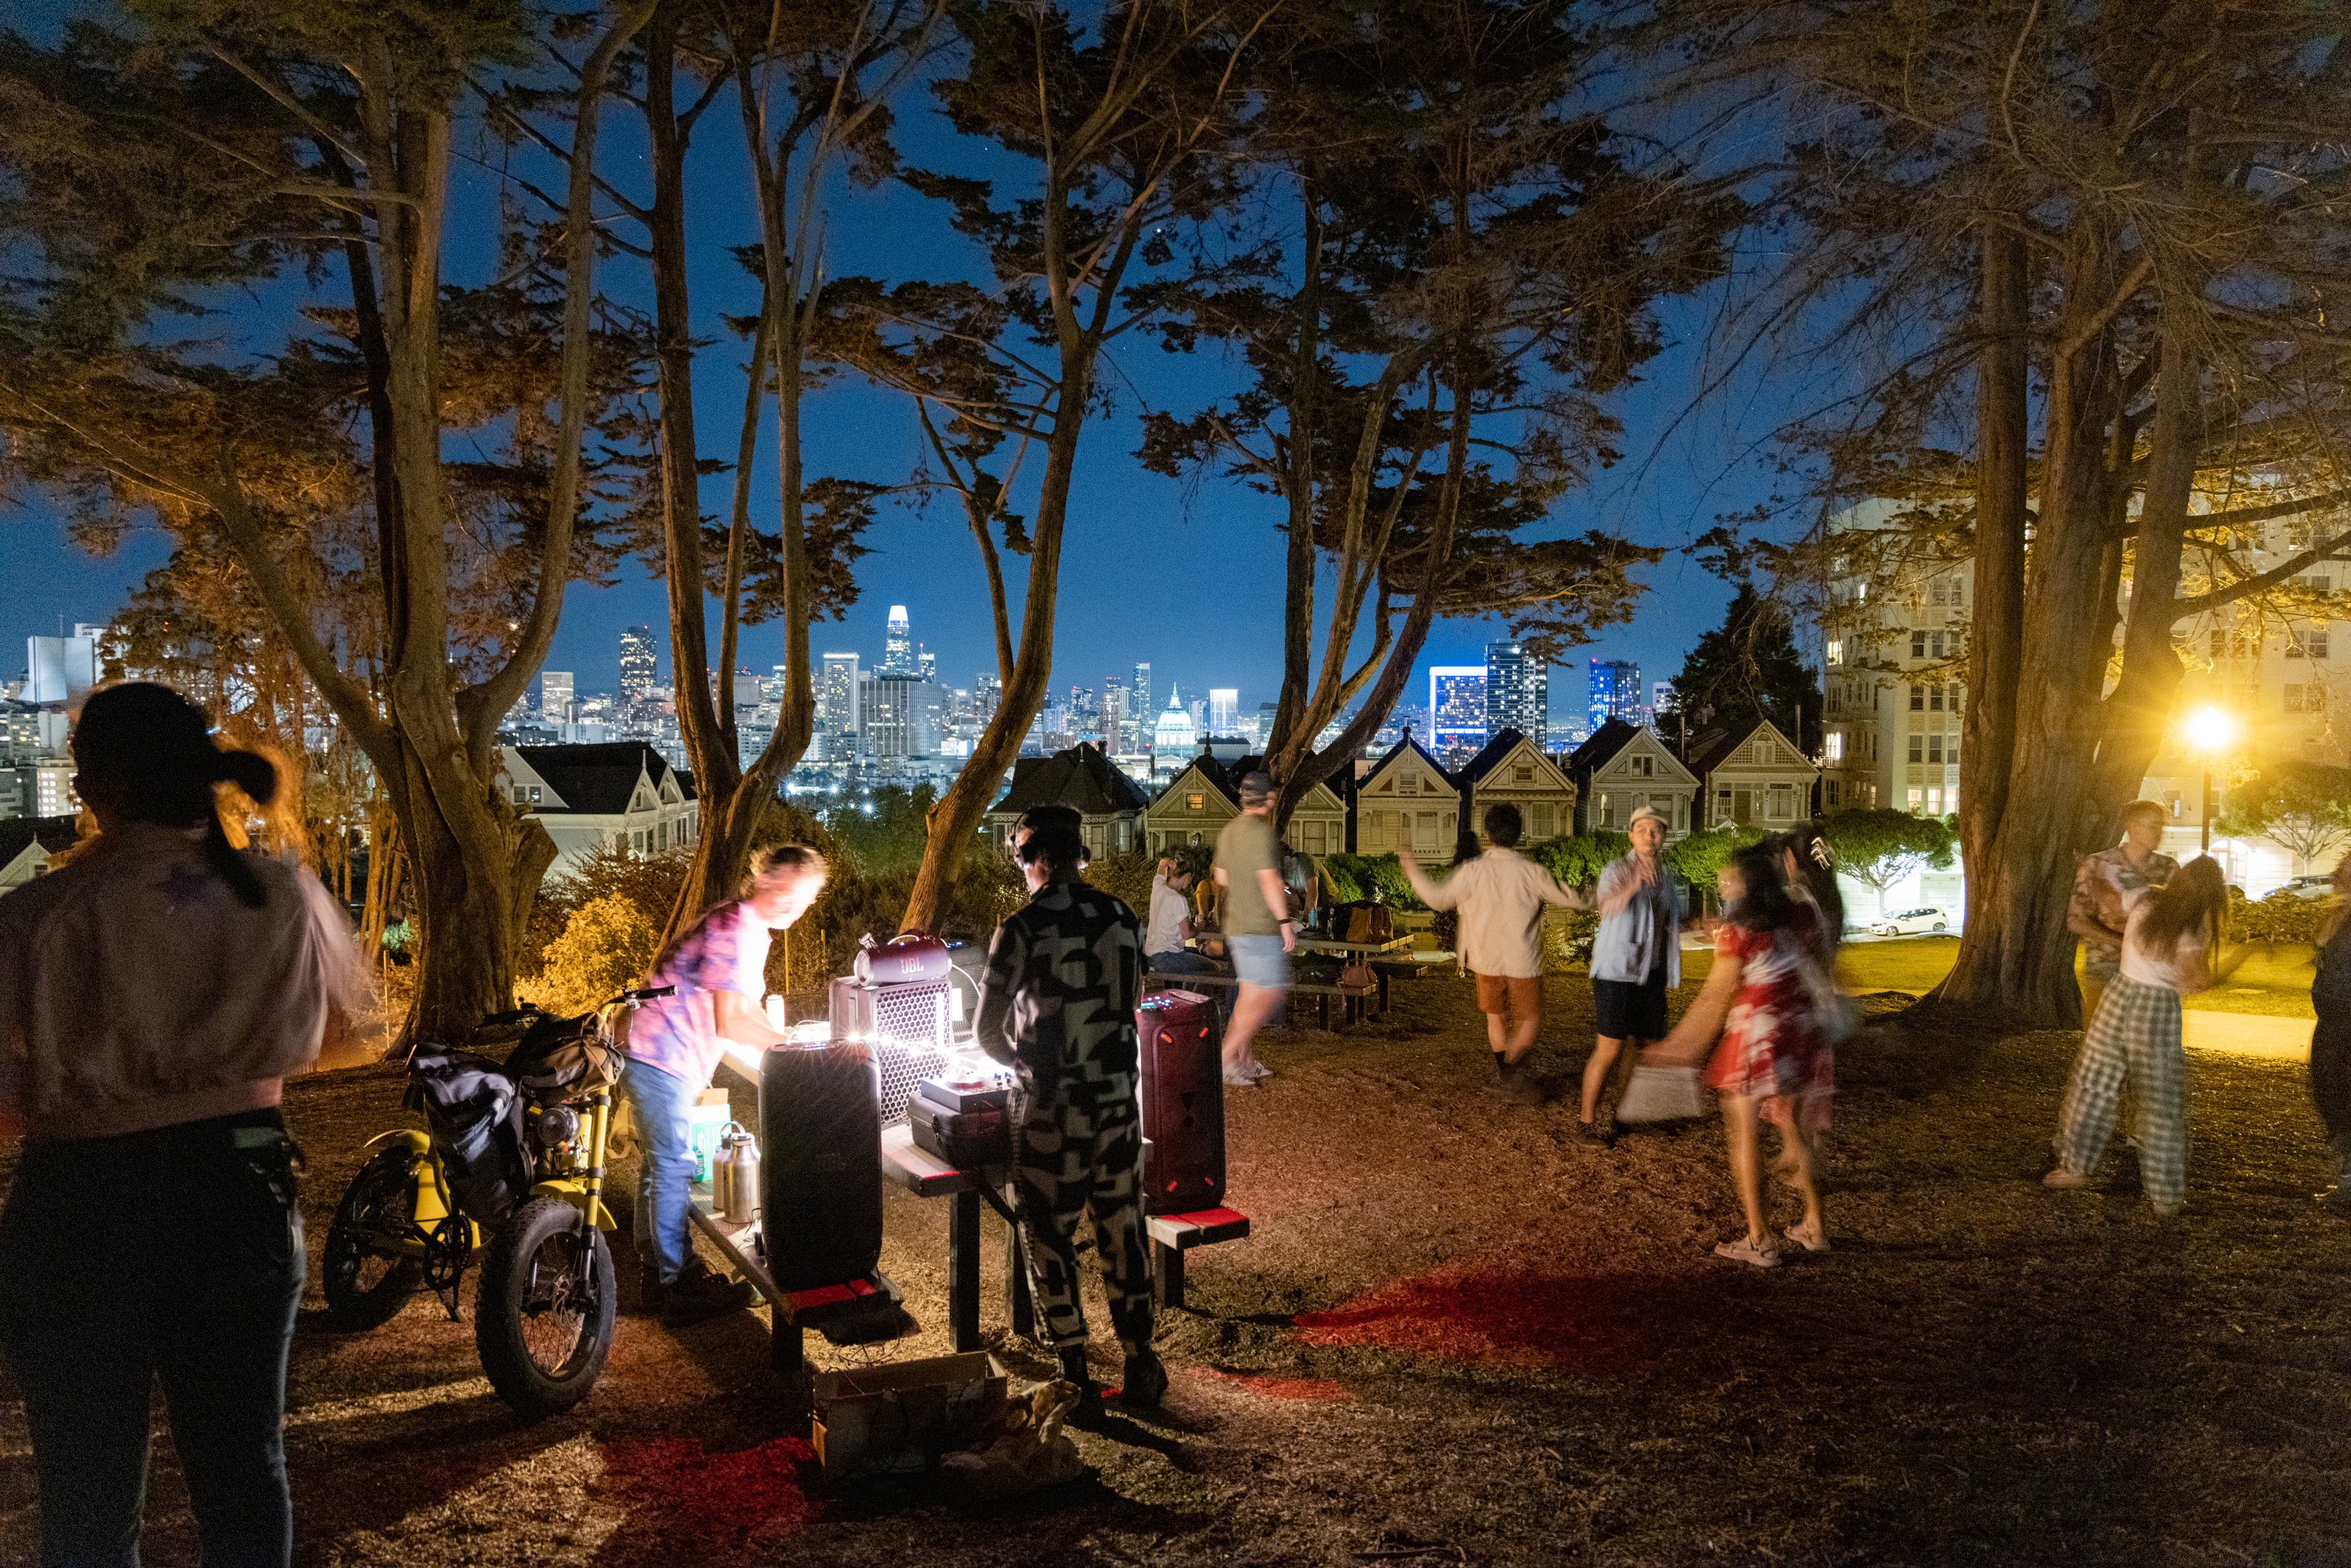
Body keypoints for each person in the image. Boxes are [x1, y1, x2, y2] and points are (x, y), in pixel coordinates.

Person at [0, 682, 370, 1568]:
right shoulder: (282, 895)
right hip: (239, 1178)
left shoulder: (37, 917)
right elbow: (347, 1037)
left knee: (88, 1487)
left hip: (80, 1201)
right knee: (245, 1468)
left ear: (93, 787)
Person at [976, 825, 1167, 1413]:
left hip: (1051, 1111)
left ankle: (1074, 1368)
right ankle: (1140, 1357)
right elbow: (1128, 1004)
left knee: (1049, 1232)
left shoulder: (1020, 928)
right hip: (1116, 1104)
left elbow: (987, 1030)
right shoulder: (1124, 917)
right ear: (1080, 858)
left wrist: (1023, 1064)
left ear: (1031, 860)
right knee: (1123, 1224)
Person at [621, 844, 828, 1320]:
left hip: (656, 1051)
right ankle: (679, 1283)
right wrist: (792, 1052)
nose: (800, 906)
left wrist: (785, 1036)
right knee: (673, 1164)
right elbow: (730, 1022)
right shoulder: (738, 929)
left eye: (808, 899)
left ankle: (655, 1271)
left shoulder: (742, 923)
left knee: (659, 1166)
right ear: (768, 881)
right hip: (662, 1053)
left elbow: (741, 1005)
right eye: (796, 893)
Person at [1654, 843, 1835, 1266]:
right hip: (1796, 1030)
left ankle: (1760, 1240)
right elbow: (1820, 964)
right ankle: (1815, 1227)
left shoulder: (1740, 931)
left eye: (1730, 878)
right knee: (1793, 1127)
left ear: (1749, 884)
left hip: (1756, 1036)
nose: (1723, 884)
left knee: (1744, 1132)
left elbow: (1715, 999)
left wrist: (1675, 1047)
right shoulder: (1801, 915)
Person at [2045, 854, 2230, 1218]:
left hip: (2120, 993)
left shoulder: (2147, 899)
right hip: (2155, 1008)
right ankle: (2165, 1197)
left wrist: (2091, 874)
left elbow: (2112, 901)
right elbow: (2195, 982)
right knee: (2160, 1101)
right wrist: (2243, 958)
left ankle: (2075, 1167)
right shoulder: (2190, 929)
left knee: (2093, 1080)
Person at [1400, 803, 1588, 1103]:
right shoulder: (1532, 873)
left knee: (1495, 1019)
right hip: (1524, 960)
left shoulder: (1472, 871)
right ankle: (1512, 1075)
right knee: (1531, 1020)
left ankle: (1507, 1077)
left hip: (1485, 959)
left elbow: (1437, 898)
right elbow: (1571, 899)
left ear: (1488, 834)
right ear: (1519, 834)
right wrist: (1598, 895)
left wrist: (1412, 871)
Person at [1580, 804, 1682, 1143]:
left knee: (1640, 1047)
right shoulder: (1617, 870)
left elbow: (1672, 921)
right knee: (1608, 1049)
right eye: (1643, 830)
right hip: (1616, 971)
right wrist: (1634, 886)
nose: (1650, 837)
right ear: (1631, 835)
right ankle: (1586, 1123)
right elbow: (1606, 907)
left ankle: (1623, 1115)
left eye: (1656, 831)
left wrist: (1703, 925)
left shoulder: (1668, 878)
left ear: (1664, 837)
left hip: (1649, 974)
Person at [1213, 771, 1295, 1088]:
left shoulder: (1228, 832)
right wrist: (1285, 923)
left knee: (1249, 995)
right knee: (1269, 993)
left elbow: (1221, 877)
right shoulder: (1263, 835)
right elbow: (1269, 881)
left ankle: (1244, 1062)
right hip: (1260, 926)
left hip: (1236, 925)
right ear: (1269, 799)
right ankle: (1223, 1060)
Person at [2069, 801, 2180, 1022]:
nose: (2158, 832)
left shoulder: (2169, 869)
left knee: (2145, 1046)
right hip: (2106, 970)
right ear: (2131, 827)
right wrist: (2123, 942)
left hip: (2150, 976)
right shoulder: (2098, 864)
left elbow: (2177, 920)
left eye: (2161, 826)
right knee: (2101, 1045)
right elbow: (2076, 920)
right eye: (2151, 826)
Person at [2312, 852, 2351, 1205]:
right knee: (2328, 1092)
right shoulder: (2337, 915)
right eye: (2341, 869)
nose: (2339, 874)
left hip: (2346, 1018)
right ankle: (2345, 1177)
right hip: (2331, 1018)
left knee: (2341, 1096)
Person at [1143, 856, 1217, 979]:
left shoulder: (1158, 888)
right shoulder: (1179, 900)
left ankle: (1186, 994)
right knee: (1214, 967)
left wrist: (1167, 862)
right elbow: (1187, 935)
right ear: (1187, 878)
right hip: (1168, 957)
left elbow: (1162, 864)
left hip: (1150, 955)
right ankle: (1191, 997)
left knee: (1194, 956)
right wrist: (1199, 927)